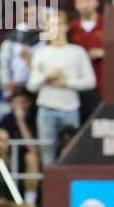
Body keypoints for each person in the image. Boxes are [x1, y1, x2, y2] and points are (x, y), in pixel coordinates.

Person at [27, 10, 95, 163]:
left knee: (72, 153)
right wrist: (46, 76)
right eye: (50, 25)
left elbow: (90, 82)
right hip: (46, 109)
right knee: (47, 155)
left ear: (66, 27)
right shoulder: (41, 53)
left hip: (70, 108)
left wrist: (67, 83)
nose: (55, 29)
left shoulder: (77, 52)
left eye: (58, 24)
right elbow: (31, 85)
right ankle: (49, 186)